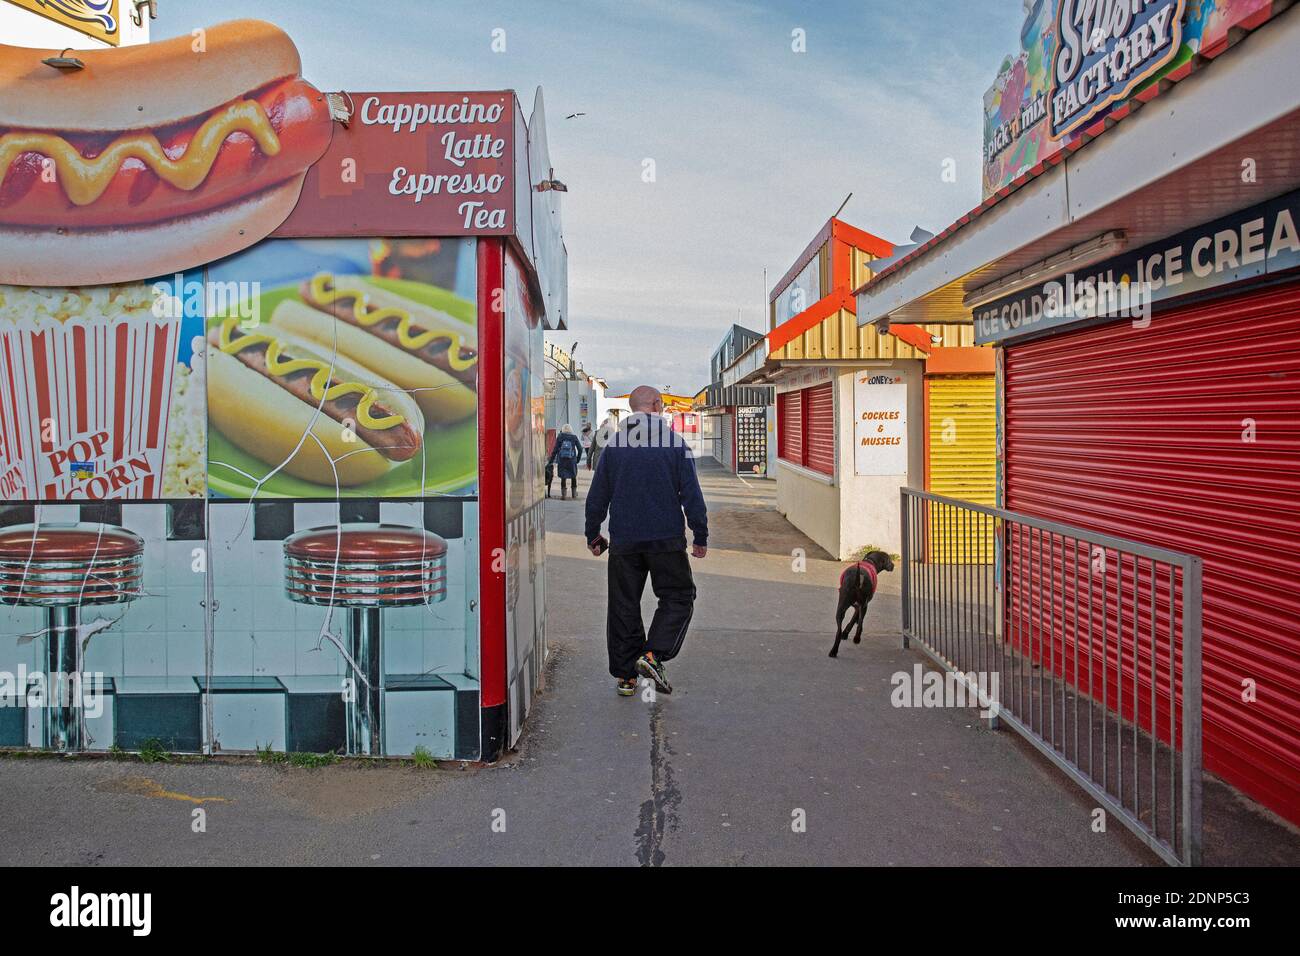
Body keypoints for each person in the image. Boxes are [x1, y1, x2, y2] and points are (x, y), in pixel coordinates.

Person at [585, 386, 708, 696]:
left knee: (623, 604)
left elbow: (597, 496)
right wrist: (700, 534)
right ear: (656, 404)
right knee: (679, 596)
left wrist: (593, 534)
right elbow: (692, 495)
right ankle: (652, 655)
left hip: (625, 541)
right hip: (666, 540)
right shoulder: (675, 445)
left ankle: (626, 677)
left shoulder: (615, 447)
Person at [547, 424, 583, 500]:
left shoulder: (560, 437)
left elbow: (555, 450)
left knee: (563, 477)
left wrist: (551, 461)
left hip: (562, 460)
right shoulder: (574, 437)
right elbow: (580, 449)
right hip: (572, 460)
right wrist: (578, 459)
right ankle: (574, 495)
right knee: (573, 476)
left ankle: (564, 495)